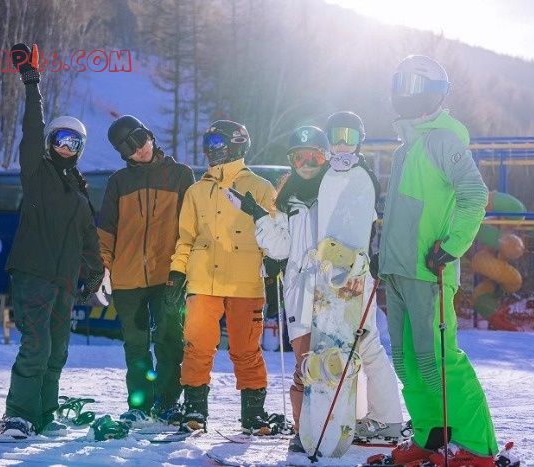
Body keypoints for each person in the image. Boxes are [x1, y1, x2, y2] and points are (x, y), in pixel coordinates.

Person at [232, 121, 402, 453]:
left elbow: (361, 221)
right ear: (291, 161)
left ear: (325, 157)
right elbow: (280, 247)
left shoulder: (341, 187)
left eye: (315, 156)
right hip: (302, 289)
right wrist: (260, 217)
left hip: (341, 285)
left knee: (359, 349)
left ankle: (380, 417)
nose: (307, 163)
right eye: (299, 157)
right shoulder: (287, 198)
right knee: (307, 363)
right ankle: (306, 429)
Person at [372, 55, 498, 467]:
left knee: (440, 360)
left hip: (430, 271)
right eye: (399, 84)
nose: (403, 94)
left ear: (432, 93)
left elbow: (474, 195)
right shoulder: (406, 147)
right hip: (398, 270)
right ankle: (431, 435)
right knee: (409, 363)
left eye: (411, 85)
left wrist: (452, 247)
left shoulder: (443, 140)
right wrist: (381, 257)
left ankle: (476, 446)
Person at [1, 43, 106, 438]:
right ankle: (18, 415)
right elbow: (31, 130)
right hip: (33, 275)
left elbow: (88, 240)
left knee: (57, 351)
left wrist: (95, 274)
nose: (66, 147)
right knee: (37, 346)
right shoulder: (37, 173)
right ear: (50, 143)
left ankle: (43, 415)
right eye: (62, 139)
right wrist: (32, 83)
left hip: (63, 282)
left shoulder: (78, 192)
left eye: (74, 143)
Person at [165, 120, 280, 435]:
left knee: (246, 349)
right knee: (197, 346)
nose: (210, 150)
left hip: (246, 283)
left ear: (237, 144)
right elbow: (185, 238)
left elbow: (273, 236)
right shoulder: (196, 191)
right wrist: (177, 271)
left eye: (217, 143)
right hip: (203, 281)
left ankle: (253, 413)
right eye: (207, 144)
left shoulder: (261, 187)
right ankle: (194, 410)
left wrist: (274, 272)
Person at [98, 115, 194, 425]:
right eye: (128, 148)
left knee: (169, 341)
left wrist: (185, 269)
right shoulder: (118, 182)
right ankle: (139, 404)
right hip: (127, 279)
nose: (138, 150)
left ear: (150, 135)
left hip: (168, 275)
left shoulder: (181, 175)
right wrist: (103, 269)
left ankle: (166, 403)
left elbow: (191, 227)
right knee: (136, 346)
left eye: (139, 140)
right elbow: (106, 231)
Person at [324, 111, 406, 444]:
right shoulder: (329, 175)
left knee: (367, 341)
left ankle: (387, 420)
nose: (343, 144)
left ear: (360, 141)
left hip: (354, 271)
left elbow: (359, 226)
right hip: (331, 271)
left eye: (351, 137)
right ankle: (355, 414)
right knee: (344, 345)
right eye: (337, 136)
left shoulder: (362, 176)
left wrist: (358, 263)